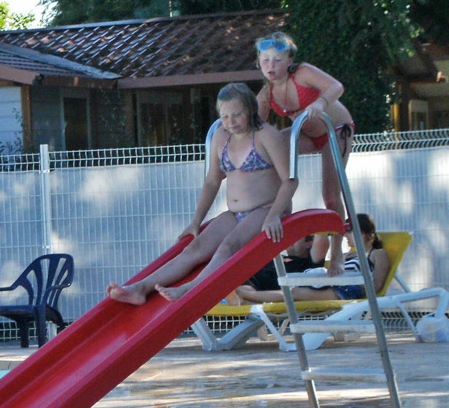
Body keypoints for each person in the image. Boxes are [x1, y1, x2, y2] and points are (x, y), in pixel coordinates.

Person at [107, 83, 297, 305]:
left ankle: (191, 288)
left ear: (250, 109)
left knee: (228, 247)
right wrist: (196, 222)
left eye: (237, 114)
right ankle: (140, 288)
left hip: (266, 209)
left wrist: (274, 214)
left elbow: (290, 180)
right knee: (194, 248)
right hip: (235, 214)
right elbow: (212, 181)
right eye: (225, 116)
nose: (231, 122)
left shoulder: (266, 135)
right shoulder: (221, 136)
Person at [255, 32, 356, 276]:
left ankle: (337, 252)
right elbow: (254, 127)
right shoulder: (267, 93)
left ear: (289, 60)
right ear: (258, 62)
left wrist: (320, 103)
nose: (271, 65)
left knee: (330, 196)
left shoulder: (302, 73)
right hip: (307, 135)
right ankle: (280, 207)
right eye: (265, 60)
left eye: (277, 60)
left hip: (335, 131)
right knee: (273, 146)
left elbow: (336, 86)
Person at [234, 214, 389, 303]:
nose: (343, 235)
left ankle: (246, 295)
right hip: (330, 284)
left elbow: (377, 285)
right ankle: (244, 296)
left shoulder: (377, 254)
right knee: (294, 289)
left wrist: (357, 287)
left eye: (347, 231)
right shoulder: (346, 255)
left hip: (348, 290)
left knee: (295, 293)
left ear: (362, 234)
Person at [224, 233, 318, 304]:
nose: (290, 239)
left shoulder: (309, 262)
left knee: (241, 290)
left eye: (296, 237)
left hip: (261, 289)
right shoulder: (278, 257)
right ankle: (237, 297)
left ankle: (239, 299)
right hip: (246, 279)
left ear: (308, 244)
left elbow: (321, 240)